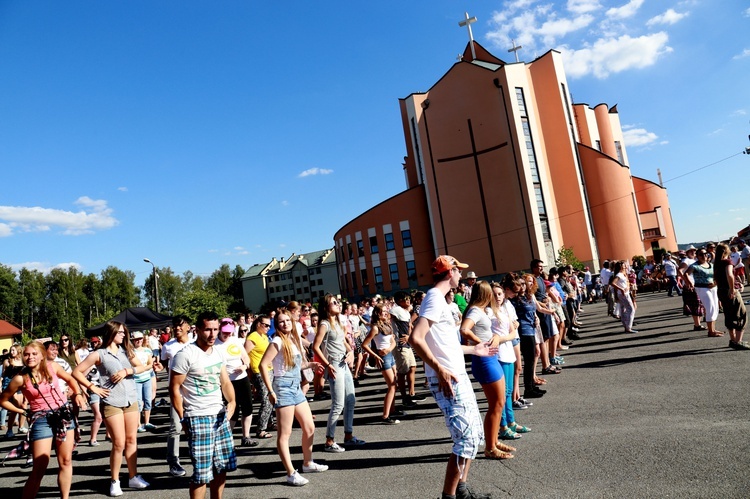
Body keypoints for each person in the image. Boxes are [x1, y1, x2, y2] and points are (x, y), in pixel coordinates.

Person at [410, 255, 496, 499]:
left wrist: (474, 349)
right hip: (446, 378)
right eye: (459, 271)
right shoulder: (434, 298)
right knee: (464, 438)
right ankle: (448, 497)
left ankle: (462, 490)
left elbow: (445, 345)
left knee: (474, 435)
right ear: (450, 272)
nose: (461, 276)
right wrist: (439, 369)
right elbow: (416, 338)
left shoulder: (442, 301)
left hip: (456, 374)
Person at [1, 341, 91, 499]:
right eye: (27, 354)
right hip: (41, 420)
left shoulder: (53, 367)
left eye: (34, 354)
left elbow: (71, 380)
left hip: (63, 415)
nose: (30, 357)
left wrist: (77, 394)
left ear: (42, 355)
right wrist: (23, 411)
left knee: (66, 461)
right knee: (39, 467)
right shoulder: (20, 378)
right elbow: (3, 400)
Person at [73, 321, 152, 496]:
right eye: (121, 333)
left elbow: (140, 367)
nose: (124, 335)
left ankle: (133, 476)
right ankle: (115, 481)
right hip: (111, 402)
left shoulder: (127, 350)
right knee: (118, 443)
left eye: (125, 332)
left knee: (132, 440)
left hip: (131, 399)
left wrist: (127, 371)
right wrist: (93, 388)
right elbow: (77, 372)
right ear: (112, 333)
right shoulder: (99, 354)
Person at [169, 311, 238, 499]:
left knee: (222, 467)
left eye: (215, 329)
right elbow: (174, 388)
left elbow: (225, 381)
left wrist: (231, 402)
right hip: (197, 417)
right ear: (197, 329)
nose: (212, 334)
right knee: (201, 474)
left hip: (219, 415)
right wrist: (183, 418)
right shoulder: (185, 355)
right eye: (208, 329)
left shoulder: (217, 351)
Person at [259, 311, 328, 486]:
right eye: (281, 322)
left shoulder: (293, 339)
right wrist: (270, 391)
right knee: (285, 434)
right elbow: (263, 364)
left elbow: (294, 365)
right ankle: (290, 473)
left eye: (288, 320)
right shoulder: (277, 341)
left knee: (309, 427)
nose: (285, 324)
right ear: (277, 325)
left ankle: (308, 463)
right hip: (282, 388)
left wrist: (310, 364)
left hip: (296, 387)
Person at [459, 281, 516, 459]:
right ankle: (490, 447)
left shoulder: (482, 310)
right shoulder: (476, 310)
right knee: (496, 403)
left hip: (490, 359)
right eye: (490, 292)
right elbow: (464, 329)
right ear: (485, 293)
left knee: (498, 403)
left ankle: (494, 441)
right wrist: (479, 342)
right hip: (484, 360)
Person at [313, 293, 365, 452]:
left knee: (351, 400)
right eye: (334, 302)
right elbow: (315, 346)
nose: (338, 304)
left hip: (344, 364)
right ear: (326, 307)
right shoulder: (324, 324)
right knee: (338, 404)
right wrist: (328, 365)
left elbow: (344, 341)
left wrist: (351, 352)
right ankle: (329, 440)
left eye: (338, 302)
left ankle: (348, 436)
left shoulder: (337, 322)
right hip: (334, 364)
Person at [215, 317, 256, 447]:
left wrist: (244, 366)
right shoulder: (215, 344)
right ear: (220, 330)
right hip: (227, 381)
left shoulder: (236, 341)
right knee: (232, 410)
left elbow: (246, 358)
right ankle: (227, 439)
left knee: (247, 407)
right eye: (225, 332)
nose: (227, 334)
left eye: (230, 332)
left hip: (241, 378)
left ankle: (246, 436)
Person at [161, 314, 194, 477]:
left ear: (188, 326)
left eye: (180, 325)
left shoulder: (196, 344)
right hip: (176, 392)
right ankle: (173, 461)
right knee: (176, 426)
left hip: (195, 392)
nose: (177, 328)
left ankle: (196, 456)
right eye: (175, 325)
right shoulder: (168, 346)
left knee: (195, 426)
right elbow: (164, 365)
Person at [361, 304, 401, 424]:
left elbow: (393, 341)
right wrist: (376, 356)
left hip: (389, 355)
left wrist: (388, 349)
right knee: (392, 386)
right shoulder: (375, 328)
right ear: (378, 313)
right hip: (384, 358)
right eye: (383, 311)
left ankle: (392, 410)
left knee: (395, 385)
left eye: (386, 311)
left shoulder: (387, 325)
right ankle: (385, 416)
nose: (385, 312)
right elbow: (364, 344)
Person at [714, 244, 750, 350]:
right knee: (741, 314)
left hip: (721, 291)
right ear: (726, 251)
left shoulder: (717, 264)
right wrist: (732, 288)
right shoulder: (727, 262)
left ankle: (733, 339)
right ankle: (738, 341)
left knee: (729, 314)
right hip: (729, 290)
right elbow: (729, 275)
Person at [245, 315, 274, 440]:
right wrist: (247, 370)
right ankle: (260, 429)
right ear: (258, 324)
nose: (268, 327)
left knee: (271, 398)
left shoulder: (264, 336)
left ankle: (269, 423)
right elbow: (243, 354)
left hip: (269, 370)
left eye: (269, 325)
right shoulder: (253, 337)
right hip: (259, 372)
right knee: (266, 400)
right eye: (266, 325)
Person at [684, 249, 722, 337]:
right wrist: (690, 284)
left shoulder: (710, 265)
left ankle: (713, 329)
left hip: (713, 287)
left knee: (715, 308)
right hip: (702, 288)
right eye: (701, 254)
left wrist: (715, 283)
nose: (704, 255)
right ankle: (710, 331)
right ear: (697, 256)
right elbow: (686, 274)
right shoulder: (695, 266)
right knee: (710, 308)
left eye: (705, 254)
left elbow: (716, 275)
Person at [76, 337, 104, 446]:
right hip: (94, 390)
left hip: (105, 390)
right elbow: (80, 377)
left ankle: (108, 434)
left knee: (106, 414)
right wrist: (85, 391)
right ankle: (93, 439)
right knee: (98, 416)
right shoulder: (92, 365)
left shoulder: (106, 364)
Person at [131, 331, 157, 432]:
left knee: (148, 399)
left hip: (147, 378)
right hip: (136, 379)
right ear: (133, 341)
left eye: (140, 339)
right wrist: (145, 367)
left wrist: (143, 368)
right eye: (136, 339)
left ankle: (147, 422)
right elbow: (135, 365)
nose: (139, 341)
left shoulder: (147, 350)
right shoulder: (131, 351)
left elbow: (151, 364)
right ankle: (138, 424)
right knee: (138, 402)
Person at [2, 343, 27, 437]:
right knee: (15, 407)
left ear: (18, 351)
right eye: (10, 350)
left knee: (23, 406)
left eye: (13, 350)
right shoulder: (7, 361)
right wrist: (1, 385)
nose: (11, 352)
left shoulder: (23, 361)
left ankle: (21, 427)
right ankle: (9, 430)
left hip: (21, 385)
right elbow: (3, 375)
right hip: (9, 385)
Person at [610, 261, 638, 334]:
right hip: (623, 294)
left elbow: (625, 283)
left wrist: (627, 287)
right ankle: (628, 327)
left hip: (624, 293)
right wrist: (621, 289)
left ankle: (626, 327)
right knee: (631, 309)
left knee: (623, 310)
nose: (625, 267)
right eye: (624, 266)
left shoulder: (623, 274)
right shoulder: (619, 274)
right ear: (621, 267)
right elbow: (613, 283)